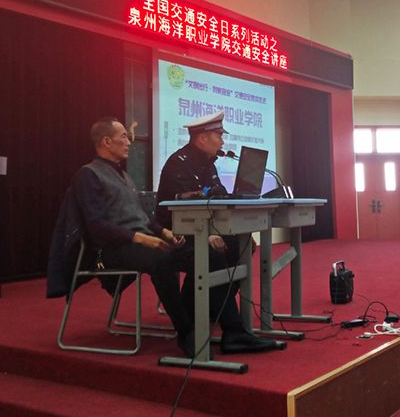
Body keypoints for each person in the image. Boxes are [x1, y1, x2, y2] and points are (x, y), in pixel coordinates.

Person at [67, 117, 196, 357]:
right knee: (162, 259)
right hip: (106, 252)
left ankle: (208, 319)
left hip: (137, 244)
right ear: (106, 142)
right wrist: (142, 239)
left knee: (201, 254)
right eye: (124, 137)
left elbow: (141, 218)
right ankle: (187, 332)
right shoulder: (88, 175)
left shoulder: (124, 176)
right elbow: (96, 226)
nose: (129, 142)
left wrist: (164, 232)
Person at [156, 110, 279, 353]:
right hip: (176, 235)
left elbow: (219, 198)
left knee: (242, 246)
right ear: (202, 138)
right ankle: (233, 331)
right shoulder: (178, 164)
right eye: (219, 136)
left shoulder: (208, 164)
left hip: (202, 230)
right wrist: (210, 233)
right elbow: (185, 210)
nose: (223, 141)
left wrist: (234, 230)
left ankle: (209, 307)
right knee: (213, 253)